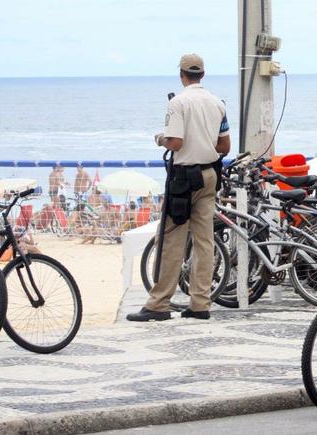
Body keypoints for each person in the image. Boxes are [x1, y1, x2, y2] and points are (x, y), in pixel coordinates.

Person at [127, 53, 230, 322]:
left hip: (184, 178)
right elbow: (224, 147)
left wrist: (160, 138)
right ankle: (200, 303)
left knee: (171, 239)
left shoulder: (178, 103)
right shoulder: (217, 103)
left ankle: (159, 303)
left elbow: (175, 142)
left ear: (182, 75)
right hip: (209, 174)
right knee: (204, 240)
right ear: (202, 75)